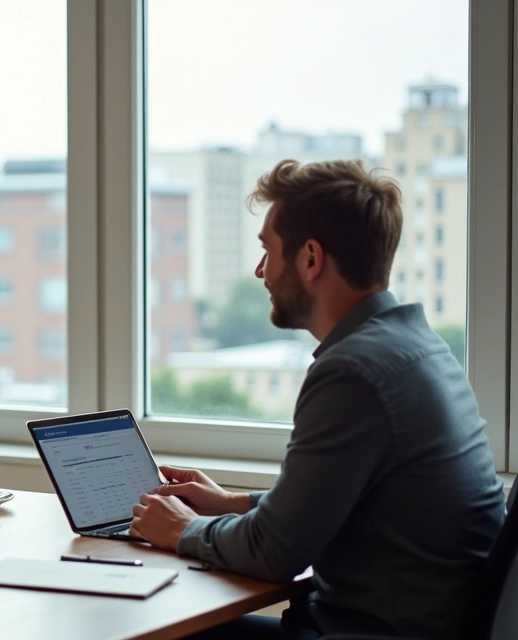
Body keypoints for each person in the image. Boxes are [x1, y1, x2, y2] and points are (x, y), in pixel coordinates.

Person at [129, 159, 505, 639]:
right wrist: (230, 503)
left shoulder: (353, 372)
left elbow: (276, 553)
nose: (260, 270)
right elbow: (336, 505)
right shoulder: (417, 346)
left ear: (310, 258)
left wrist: (180, 530)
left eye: (268, 250)